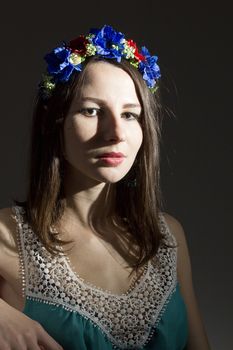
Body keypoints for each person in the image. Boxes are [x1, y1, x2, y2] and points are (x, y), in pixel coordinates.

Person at [0, 24, 210, 350]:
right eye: (92, 111)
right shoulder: (7, 234)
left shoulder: (169, 237)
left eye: (130, 115)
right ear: (53, 123)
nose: (115, 133)